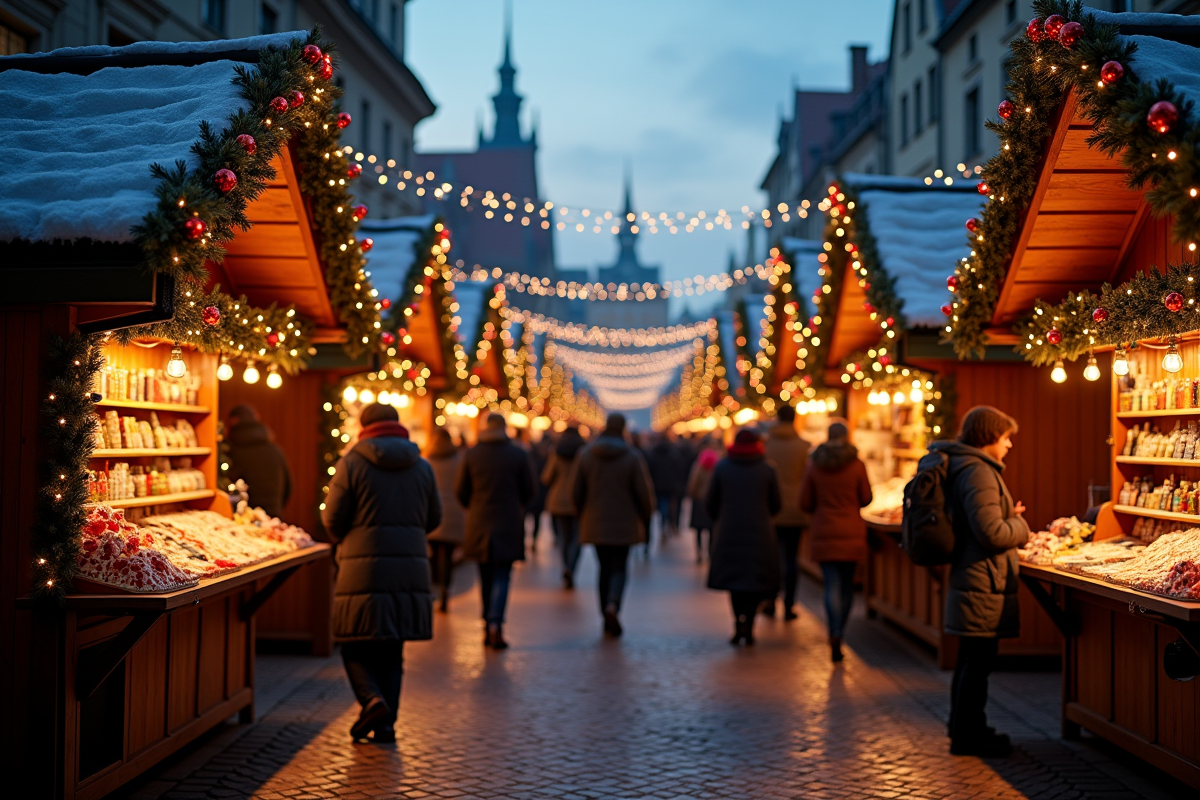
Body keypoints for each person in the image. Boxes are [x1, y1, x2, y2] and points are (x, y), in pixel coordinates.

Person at [321, 403, 440, 743]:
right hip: (409, 567)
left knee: (352, 643)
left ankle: (372, 700)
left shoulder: (352, 463)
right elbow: (434, 518)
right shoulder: (421, 466)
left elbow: (333, 521)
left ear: (364, 426)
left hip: (362, 568)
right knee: (392, 648)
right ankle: (386, 726)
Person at [930, 405, 1029, 758]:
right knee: (977, 662)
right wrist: (1021, 527)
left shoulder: (965, 466)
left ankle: (965, 727)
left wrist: (1007, 516)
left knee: (971, 661)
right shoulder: (979, 472)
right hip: (981, 580)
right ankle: (968, 735)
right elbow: (991, 532)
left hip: (973, 577)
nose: (1009, 446)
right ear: (988, 437)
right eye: (1005, 438)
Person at [456, 413, 535, 650]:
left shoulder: (472, 454)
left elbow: (460, 490)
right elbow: (530, 490)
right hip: (508, 521)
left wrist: (474, 506)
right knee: (502, 574)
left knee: (485, 575)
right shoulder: (518, 454)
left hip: (479, 521)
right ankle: (495, 623)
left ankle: (486, 622)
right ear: (505, 428)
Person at [574, 413, 655, 637]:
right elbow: (643, 492)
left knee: (604, 568)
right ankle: (614, 604)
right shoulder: (632, 456)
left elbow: (576, 491)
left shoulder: (586, 455)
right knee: (619, 567)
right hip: (624, 522)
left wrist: (583, 514)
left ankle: (604, 612)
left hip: (595, 520)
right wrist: (646, 517)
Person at [799, 422, 872, 663]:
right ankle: (841, 629)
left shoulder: (814, 464)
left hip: (823, 530)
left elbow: (805, 502)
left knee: (831, 584)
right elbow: (866, 498)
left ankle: (834, 631)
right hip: (851, 530)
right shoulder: (857, 464)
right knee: (848, 585)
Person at [706, 428, 781, 646]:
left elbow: (711, 502)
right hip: (760, 534)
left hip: (729, 532)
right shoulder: (767, 469)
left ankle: (738, 620)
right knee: (754, 582)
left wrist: (720, 518)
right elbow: (776, 504)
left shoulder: (722, 467)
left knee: (734, 582)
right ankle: (748, 622)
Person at [763, 404, 811, 620]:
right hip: (796, 511)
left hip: (770, 510)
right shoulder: (803, 447)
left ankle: (771, 601)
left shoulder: (766, 445)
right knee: (792, 559)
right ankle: (790, 604)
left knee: (771, 558)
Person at [226, 404, 292, 518]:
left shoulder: (231, 451)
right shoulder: (275, 450)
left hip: (242, 518)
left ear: (234, 421)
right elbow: (289, 486)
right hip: (273, 516)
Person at [425, 428, 465, 613]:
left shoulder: (427, 461)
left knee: (432, 553)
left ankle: (435, 587)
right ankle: (446, 588)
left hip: (432, 513)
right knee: (448, 555)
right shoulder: (458, 461)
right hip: (453, 514)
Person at [541, 425, 586, 589]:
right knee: (577, 538)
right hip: (579, 501)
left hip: (558, 501)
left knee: (564, 538)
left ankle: (566, 565)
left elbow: (546, 477)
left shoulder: (557, 453)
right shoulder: (584, 453)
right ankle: (571, 568)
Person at [647, 432, 687, 539]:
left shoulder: (653, 453)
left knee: (661, 505)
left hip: (658, 485)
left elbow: (650, 469)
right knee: (669, 505)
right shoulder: (674, 453)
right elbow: (680, 469)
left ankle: (663, 523)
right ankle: (668, 524)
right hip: (671, 486)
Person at [685, 444, 720, 562]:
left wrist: (692, 494)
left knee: (698, 530)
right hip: (712, 501)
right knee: (711, 529)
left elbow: (693, 483)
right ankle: (710, 552)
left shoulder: (698, 466)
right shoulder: (717, 467)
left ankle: (699, 553)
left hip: (699, 501)